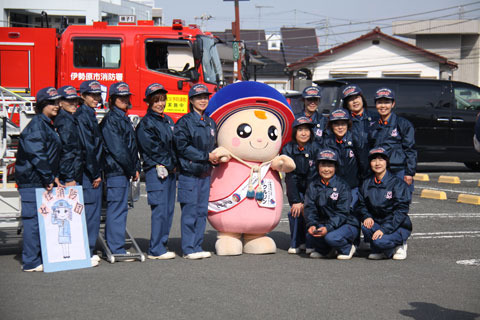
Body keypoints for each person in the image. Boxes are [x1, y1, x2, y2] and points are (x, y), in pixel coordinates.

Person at [15, 87, 62, 271]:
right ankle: (31, 261)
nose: (57, 105)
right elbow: (38, 156)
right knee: (33, 222)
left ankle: (37, 258)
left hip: (38, 180)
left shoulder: (46, 124)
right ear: (42, 105)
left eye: (58, 102)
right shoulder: (37, 126)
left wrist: (53, 176)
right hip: (32, 181)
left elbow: (47, 155)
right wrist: (49, 177)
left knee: (38, 221)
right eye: (52, 102)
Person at [174, 84, 218, 260]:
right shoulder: (184, 122)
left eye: (205, 97)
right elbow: (182, 147)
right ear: (191, 100)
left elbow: (213, 146)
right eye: (199, 97)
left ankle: (197, 246)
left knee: (201, 212)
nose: (203, 100)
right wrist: (206, 156)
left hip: (205, 174)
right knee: (190, 212)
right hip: (189, 174)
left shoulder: (210, 122)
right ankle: (188, 248)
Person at [136, 83, 177, 260]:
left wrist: (175, 164)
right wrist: (171, 164)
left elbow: (175, 145)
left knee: (168, 210)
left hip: (170, 170)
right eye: (156, 100)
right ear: (149, 102)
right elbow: (153, 149)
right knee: (159, 209)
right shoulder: (146, 123)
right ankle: (155, 249)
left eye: (162, 100)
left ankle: (162, 244)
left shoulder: (168, 120)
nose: (160, 103)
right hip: (156, 170)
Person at [100, 82, 141, 257]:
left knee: (120, 208)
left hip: (122, 170)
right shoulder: (111, 120)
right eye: (120, 97)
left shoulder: (122, 118)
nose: (124, 100)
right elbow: (118, 150)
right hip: (116, 170)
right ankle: (116, 247)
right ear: (112, 99)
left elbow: (131, 148)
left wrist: (135, 167)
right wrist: (132, 168)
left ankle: (115, 245)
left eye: (126, 96)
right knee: (116, 209)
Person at [355, 147, 412, 260]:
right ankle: (383, 250)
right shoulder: (366, 183)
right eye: (374, 160)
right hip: (378, 223)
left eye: (381, 159)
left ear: (387, 162)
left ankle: (399, 245)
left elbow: (401, 211)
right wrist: (366, 216)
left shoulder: (397, 184)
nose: (377, 163)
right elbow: (361, 205)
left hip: (396, 225)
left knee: (379, 240)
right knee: (366, 227)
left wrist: (384, 229)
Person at [304, 149, 359, 260]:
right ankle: (327, 251)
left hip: (346, 223)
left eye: (330, 166)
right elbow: (310, 208)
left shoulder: (343, 186)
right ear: (318, 167)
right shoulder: (313, 185)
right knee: (311, 235)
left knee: (331, 237)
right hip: (326, 223)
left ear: (335, 168)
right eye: (323, 165)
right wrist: (312, 224)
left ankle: (347, 248)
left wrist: (328, 227)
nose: (326, 169)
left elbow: (343, 213)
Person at [281, 117, 320, 254]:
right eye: (300, 130)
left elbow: (314, 176)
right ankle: (297, 242)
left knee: (310, 211)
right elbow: (290, 176)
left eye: (307, 130)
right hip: (296, 186)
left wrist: (306, 201)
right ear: (295, 132)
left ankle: (311, 243)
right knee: (295, 211)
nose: (304, 133)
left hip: (313, 188)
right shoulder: (288, 148)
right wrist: (296, 201)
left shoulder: (317, 148)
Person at [75, 80, 104, 264]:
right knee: (90, 212)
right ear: (83, 96)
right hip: (89, 172)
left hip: (90, 170)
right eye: (91, 95)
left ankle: (88, 248)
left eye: (97, 95)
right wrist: (95, 173)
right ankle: (87, 250)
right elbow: (87, 147)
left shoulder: (88, 114)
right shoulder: (83, 116)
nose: (95, 98)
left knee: (92, 212)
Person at [368, 87, 417, 194]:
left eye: (387, 102)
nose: (383, 106)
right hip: (379, 171)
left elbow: (410, 149)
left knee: (400, 202)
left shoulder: (403, 124)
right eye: (380, 102)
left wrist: (409, 173)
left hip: (398, 170)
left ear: (393, 104)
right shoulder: (372, 126)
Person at [322, 108, 360, 207]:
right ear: (331, 126)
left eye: (343, 124)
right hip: (333, 188)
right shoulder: (326, 143)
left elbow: (363, 165)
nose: (340, 127)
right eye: (336, 124)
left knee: (351, 215)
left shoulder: (356, 140)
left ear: (348, 125)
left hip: (353, 187)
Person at [341, 84, 377, 178]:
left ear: (362, 98)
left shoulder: (375, 118)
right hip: (352, 170)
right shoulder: (343, 122)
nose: (355, 101)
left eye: (356, 97)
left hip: (373, 168)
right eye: (350, 99)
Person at [55, 86, 83, 186]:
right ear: (60, 102)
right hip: (68, 177)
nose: (74, 104)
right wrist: (69, 177)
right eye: (69, 100)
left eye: (75, 100)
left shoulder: (68, 118)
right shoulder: (65, 121)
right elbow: (66, 151)